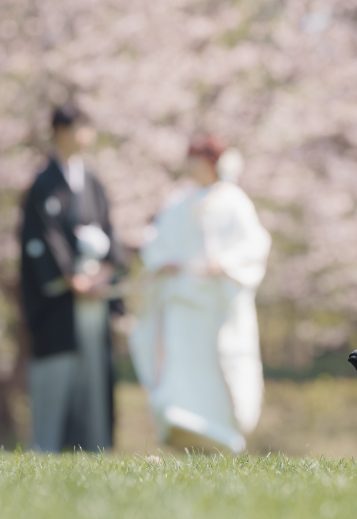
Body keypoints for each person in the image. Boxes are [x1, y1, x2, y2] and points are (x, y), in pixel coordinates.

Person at [129, 134, 271, 454]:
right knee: (182, 363)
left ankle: (222, 430)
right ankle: (183, 424)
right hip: (183, 301)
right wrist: (166, 262)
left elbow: (254, 245)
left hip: (217, 303)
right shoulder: (179, 200)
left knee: (221, 363)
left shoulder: (233, 200)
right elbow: (157, 243)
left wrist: (223, 263)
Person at [20, 104, 126, 453]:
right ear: (62, 132)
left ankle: (97, 447)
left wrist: (107, 271)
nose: (88, 136)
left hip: (95, 294)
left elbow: (111, 231)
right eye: (82, 127)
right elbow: (42, 238)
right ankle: (49, 447)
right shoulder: (43, 183)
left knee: (96, 378)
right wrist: (71, 278)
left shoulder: (92, 181)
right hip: (62, 301)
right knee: (58, 374)